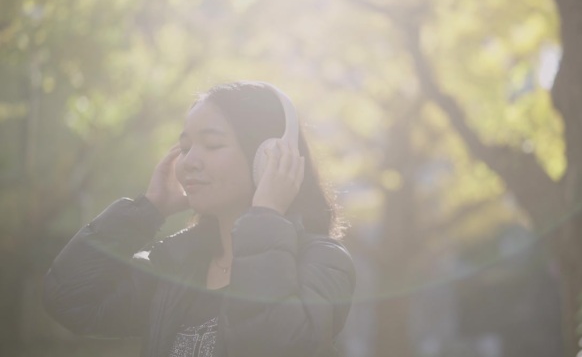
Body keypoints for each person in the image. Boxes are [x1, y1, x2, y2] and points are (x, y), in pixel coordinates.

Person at [43, 81, 356, 357]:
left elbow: (270, 346)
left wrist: (267, 217)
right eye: (185, 147)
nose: (189, 161)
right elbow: (71, 300)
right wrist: (147, 211)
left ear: (269, 156)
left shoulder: (323, 262)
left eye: (212, 144)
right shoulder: (174, 265)